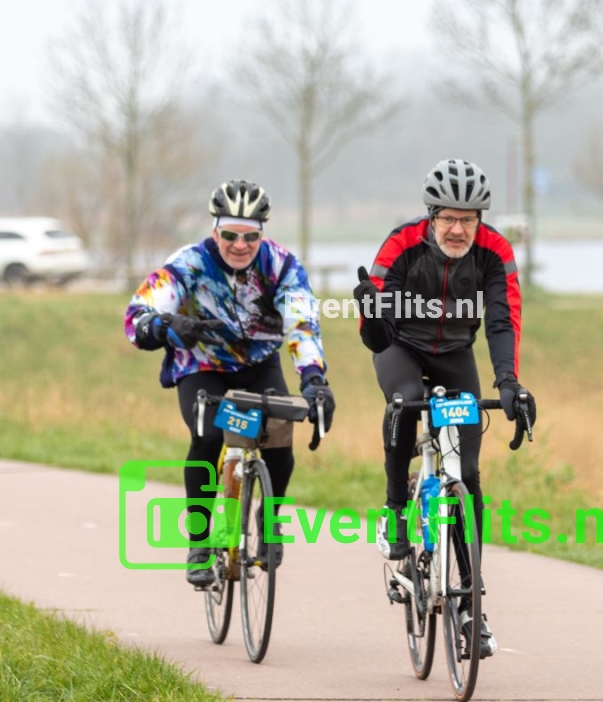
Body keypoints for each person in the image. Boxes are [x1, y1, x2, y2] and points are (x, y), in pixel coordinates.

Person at [353, 158, 536, 658]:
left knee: (468, 475)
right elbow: (376, 336)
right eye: (449, 218)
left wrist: (509, 382)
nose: (458, 229)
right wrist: (371, 313)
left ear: (480, 220)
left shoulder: (495, 252)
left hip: (455, 353)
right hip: (401, 347)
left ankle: (472, 605)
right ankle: (395, 508)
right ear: (432, 215)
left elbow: (503, 320)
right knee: (405, 403)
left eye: (468, 219)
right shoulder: (401, 244)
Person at [125, 179, 335, 586]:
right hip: (201, 363)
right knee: (207, 436)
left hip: (259, 363)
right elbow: (138, 315)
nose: (240, 245)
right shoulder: (190, 263)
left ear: (262, 234)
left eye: (250, 236)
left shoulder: (281, 266)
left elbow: (302, 324)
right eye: (230, 235)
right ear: (215, 230)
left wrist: (313, 378)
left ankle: (269, 518)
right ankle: (200, 541)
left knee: (279, 439)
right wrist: (165, 326)